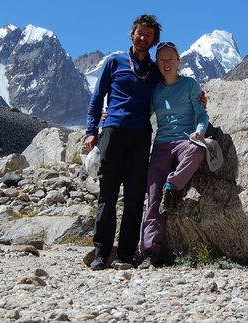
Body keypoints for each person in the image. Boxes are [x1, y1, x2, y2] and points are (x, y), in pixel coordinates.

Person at [85, 15, 206, 270]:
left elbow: (174, 93)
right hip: (112, 132)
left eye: (149, 35)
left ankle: (126, 255)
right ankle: (100, 252)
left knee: (134, 196)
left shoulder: (155, 71)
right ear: (132, 33)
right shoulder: (114, 62)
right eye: (140, 33)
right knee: (107, 194)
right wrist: (91, 130)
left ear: (154, 40)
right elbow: (97, 98)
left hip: (141, 136)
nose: (143, 38)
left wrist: (201, 99)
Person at [138, 42, 209, 269]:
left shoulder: (190, 85)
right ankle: (150, 252)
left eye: (171, 59)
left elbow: (202, 115)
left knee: (198, 151)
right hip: (160, 146)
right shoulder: (155, 90)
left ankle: (172, 185)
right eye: (162, 60)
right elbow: (143, 113)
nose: (166, 64)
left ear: (179, 61)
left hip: (185, 140)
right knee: (152, 199)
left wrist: (200, 132)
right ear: (157, 64)